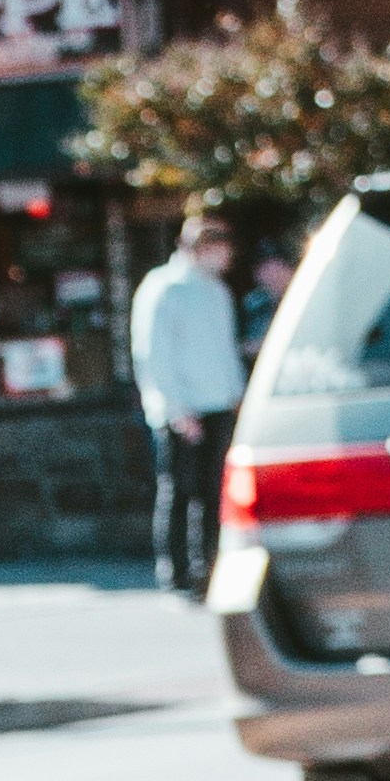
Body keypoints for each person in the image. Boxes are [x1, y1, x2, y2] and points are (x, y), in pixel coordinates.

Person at [130, 212, 243, 594]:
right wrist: (175, 409)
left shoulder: (217, 291)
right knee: (179, 493)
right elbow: (153, 354)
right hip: (183, 410)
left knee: (214, 493)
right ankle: (176, 572)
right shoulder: (163, 288)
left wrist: (236, 396)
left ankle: (208, 567)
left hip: (217, 404)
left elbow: (223, 351)